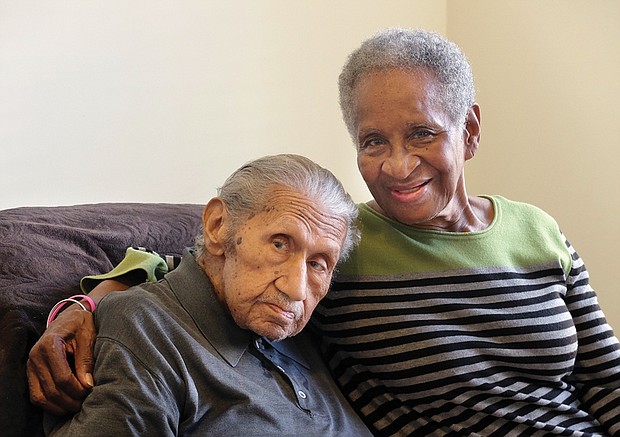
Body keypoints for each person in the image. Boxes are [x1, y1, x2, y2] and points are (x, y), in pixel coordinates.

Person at [29, 29, 620, 436]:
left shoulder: (537, 231)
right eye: (372, 141)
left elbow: (603, 377)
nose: (396, 165)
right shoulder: (341, 244)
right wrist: (84, 308)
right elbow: (200, 262)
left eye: (421, 133)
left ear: (467, 131)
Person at [38, 154, 371, 436]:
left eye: (318, 263)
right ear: (217, 226)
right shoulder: (148, 329)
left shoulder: (295, 328)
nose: (296, 288)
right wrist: (86, 304)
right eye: (280, 244)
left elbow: (162, 260)